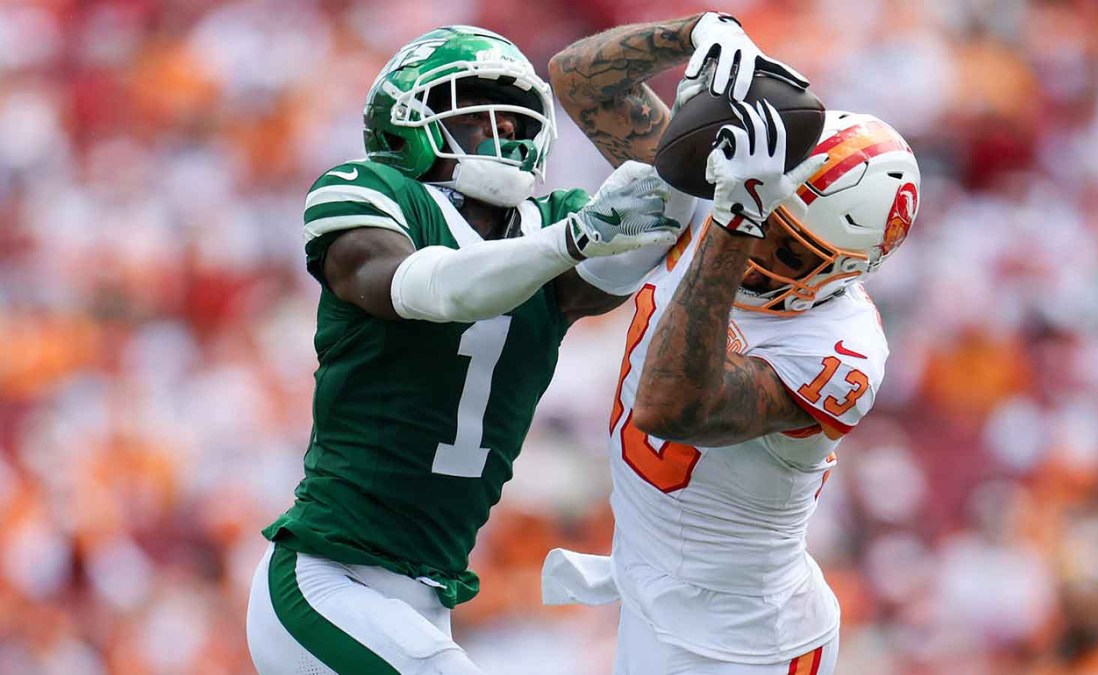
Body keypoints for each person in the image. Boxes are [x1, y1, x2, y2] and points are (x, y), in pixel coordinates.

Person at [245, 25, 691, 675]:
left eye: (518, 116)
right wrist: (571, 238)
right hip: (327, 581)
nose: (506, 129)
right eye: (480, 109)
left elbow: (666, 223)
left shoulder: (551, 224)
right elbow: (429, 288)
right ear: (408, 122)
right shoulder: (370, 193)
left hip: (428, 595)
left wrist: (711, 136)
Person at [542, 13, 921, 674]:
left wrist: (737, 218)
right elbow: (575, 79)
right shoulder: (721, 200)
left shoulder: (843, 349)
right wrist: (692, 33)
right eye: (767, 221)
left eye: (790, 248)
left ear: (847, 269)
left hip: (747, 644)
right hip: (657, 597)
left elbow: (672, 409)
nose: (760, 251)